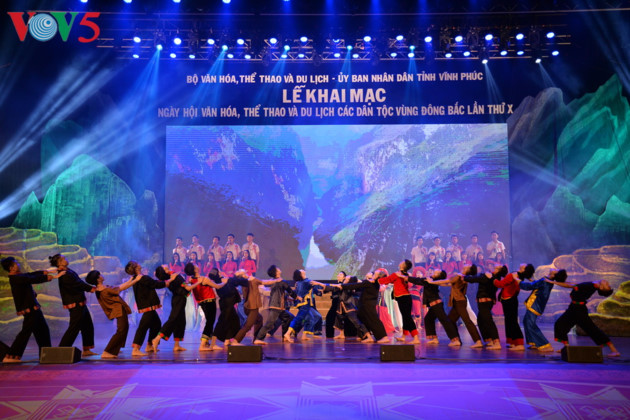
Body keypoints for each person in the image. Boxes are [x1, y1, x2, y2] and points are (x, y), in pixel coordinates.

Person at [1, 257, 62, 363]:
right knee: (25, 333)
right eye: (16, 264)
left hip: (34, 310)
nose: (18, 265)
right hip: (30, 311)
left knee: (42, 331)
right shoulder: (16, 278)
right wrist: (51, 276)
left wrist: (47, 271)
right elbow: (32, 278)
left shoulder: (19, 276)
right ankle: (11, 356)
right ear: (11, 268)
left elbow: (30, 275)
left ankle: (46, 354)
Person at [552, 279, 620, 357]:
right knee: (560, 324)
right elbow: (574, 284)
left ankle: (614, 351)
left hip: (579, 310)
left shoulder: (591, 286)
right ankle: (566, 348)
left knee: (592, 330)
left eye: (607, 285)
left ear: (601, 288)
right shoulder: (592, 284)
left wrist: (553, 282)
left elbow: (570, 285)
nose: (608, 283)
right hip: (573, 308)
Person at [86, 270, 140, 359]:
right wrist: (136, 280)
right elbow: (121, 288)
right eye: (100, 274)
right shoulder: (104, 290)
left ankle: (116, 348)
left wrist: (130, 280)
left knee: (124, 328)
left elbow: (119, 287)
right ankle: (108, 351)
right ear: (98, 279)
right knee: (121, 330)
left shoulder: (103, 288)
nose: (102, 275)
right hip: (118, 310)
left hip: (118, 309)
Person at [51, 254, 97, 357]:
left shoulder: (67, 271)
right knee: (74, 328)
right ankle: (62, 350)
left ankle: (86, 349)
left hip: (80, 302)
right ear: (59, 263)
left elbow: (78, 282)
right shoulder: (64, 274)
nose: (66, 259)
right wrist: (91, 288)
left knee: (87, 325)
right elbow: (78, 284)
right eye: (63, 258)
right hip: (75, 304)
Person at [126, 261, 171, 356]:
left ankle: (149, 345)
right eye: (137, 264)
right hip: (148, 304)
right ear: (136, 268)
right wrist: (168, 282)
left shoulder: (136, 278)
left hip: (147, 304)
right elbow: (155, 284)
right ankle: (136, 349)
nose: (139, 263)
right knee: (143, 326)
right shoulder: (142, 278)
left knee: (157, 324)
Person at [151, 265, 201, 352]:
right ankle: (157, 339)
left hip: (179, 299)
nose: (164, 265)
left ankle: (177, 345)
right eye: (163, 266)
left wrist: (189, 282)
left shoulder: (171, 276)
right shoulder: (174, 276)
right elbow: (187, 288)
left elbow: (183, 286)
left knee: (180, 321)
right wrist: (198, 282)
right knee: (173, 319)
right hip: (178, 299)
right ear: (165, 270)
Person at [517, 269, 567, 352]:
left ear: (553, 275)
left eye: (556, 270)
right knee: (526, 322)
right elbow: (538, 285)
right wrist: (533, 281)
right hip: (535, 304)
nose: (555, 268)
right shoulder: (547, 280)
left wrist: (518, 281)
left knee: (530, 324)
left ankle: (544, 344)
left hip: (535, 305)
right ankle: (534, 342)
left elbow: (528, 287)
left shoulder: (545, 281)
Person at [407, 270, 460, 346]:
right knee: (428, 319)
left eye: (435, 272)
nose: (433, 271)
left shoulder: (432, 280)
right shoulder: (431, 280)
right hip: (434, 304)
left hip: (436, 304)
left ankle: (455, 339)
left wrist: (407, 278)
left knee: (444, 320)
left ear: (438, 275)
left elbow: (418, 280)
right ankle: (434, 338)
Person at [232, 269, 281, 345]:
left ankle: (257, 339)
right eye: (245, 273)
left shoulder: (242, 284)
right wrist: (277, 280)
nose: (247, 274)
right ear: (243, 276)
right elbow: (265, 282)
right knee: (248, 325)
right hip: (253, 306)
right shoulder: (252, 280)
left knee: (259, 319)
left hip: (247, 306)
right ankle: (236, 340)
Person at [341, 269, 390, 343]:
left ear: (377, 277)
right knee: (364, 319)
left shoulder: (372, 283)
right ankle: (366, 336)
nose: (372, 274)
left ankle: (384, 337)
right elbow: (359, 286)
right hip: (364, 304)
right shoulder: (370, 282)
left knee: (373, 320)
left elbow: (356, 285)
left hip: (368, 304)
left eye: (374, 274)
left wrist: (342, 286)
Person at [494, 263, 535, 350]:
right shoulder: (519, 275)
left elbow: (501, 284)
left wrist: (493, 279)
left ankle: (519, 343)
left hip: (509, 299)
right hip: (510, 299)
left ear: (524, 269)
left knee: (512, 321)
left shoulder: (514, 275)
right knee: (509, 321)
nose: (524, 264)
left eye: (525, 266)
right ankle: (512, 341)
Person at [378, 260, 421, 344]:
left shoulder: (397, 274)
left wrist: (376, 279)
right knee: (405, 317)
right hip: (406, 297)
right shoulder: (406, 275)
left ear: (403, 265)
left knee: (407, 318)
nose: (400, 262)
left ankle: (416, 337)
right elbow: (391, 280)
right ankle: (404, 336)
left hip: (403, 298)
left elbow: (386, 280)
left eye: (402, 262)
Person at [464, 264, 506, 349]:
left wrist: (464, 276)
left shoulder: (490, 276)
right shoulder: (493, 276)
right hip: (487, 300)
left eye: (496, 267)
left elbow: (473, 279)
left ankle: (496, 342)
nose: (493, 266)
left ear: (498, 270)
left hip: (485, 300)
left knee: (488, 321)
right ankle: (489, 340)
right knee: (481, 320)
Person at [185, 263, 225, 351]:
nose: (197, 265)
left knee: (209, 322)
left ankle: (209, 344)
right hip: (209, 302)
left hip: (202, 303)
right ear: (195, 269)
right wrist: (224, 282)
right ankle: (202, 345)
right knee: (210, 323)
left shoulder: (191, 279)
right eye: (195, 265)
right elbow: (217, 286)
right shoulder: (204, 279)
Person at [255, 265, 298, 344]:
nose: (279, 269)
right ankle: (258, 338)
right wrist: (297, 297)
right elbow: (290, 291)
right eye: (277, 269)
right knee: (270, 323)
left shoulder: (274, 281)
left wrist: (290, 298)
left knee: (288, 317)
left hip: (279, 306)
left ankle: (285, 336)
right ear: (276, 272)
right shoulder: (281, 282)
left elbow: (281, 294)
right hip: (276, 306)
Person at [443, 266, 483, 348]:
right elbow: (447, 283)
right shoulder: (460, 277)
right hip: (457, 301)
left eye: (466, 267)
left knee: (467, 321)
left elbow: (447, 281)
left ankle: (478, 341)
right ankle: (456, 340)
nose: (464, 266)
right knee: (450, 320)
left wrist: (432, 282)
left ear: (467, 270)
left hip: (460, 301)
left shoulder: (460, 277)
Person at [282, 269, 325, 342]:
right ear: (301, 274)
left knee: (315, 316)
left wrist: (320, 292)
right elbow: (319, 286)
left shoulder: (300, 282)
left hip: (304, 304)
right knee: (299, 318)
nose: (303, 270)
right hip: (304, 304)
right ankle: (288, 333)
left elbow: (315, 290)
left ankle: (304, 335)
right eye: (301, 270)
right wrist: (322, 285)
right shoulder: (306, 282)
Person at [330, 276, 370, 342]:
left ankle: (368, 336)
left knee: (356, 321)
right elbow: (334, 288)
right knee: (339, 318)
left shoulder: (349, 287)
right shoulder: (343, 285)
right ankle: (341, 334)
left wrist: (320, 284)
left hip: (349, 306)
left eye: (347, 279)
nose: (345, 279)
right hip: (341, 306)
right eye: (345, 278)